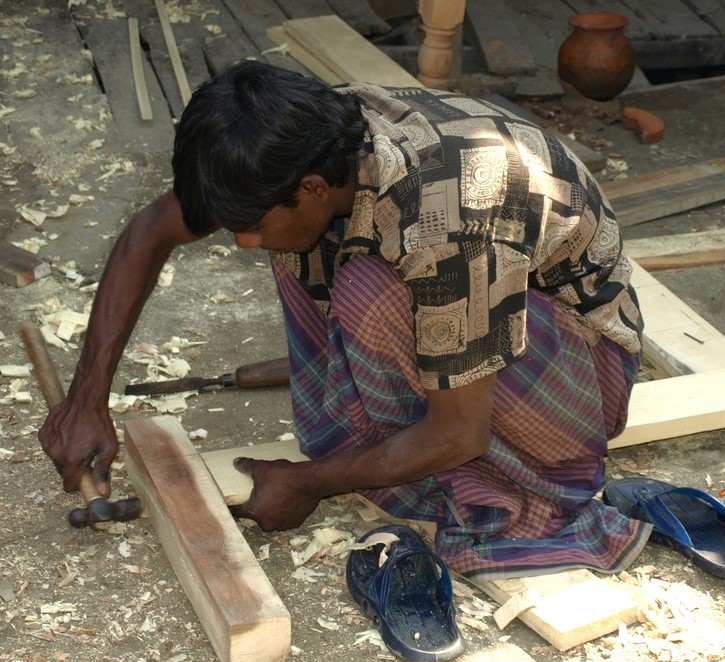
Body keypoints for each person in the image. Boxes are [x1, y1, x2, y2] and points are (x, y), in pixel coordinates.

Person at [39, 60, 648, 580]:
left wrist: (313, 483)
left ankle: (516, 496)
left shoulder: (446, 221)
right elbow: (150, 232)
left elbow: (461, 434)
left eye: (246, 224)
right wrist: (86, 399)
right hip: (483, 318)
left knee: (368, 289)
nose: (241, 243)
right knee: (302, 250)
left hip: (578, 375)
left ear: (309, 187)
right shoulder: (311, 137)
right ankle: (371, 443)